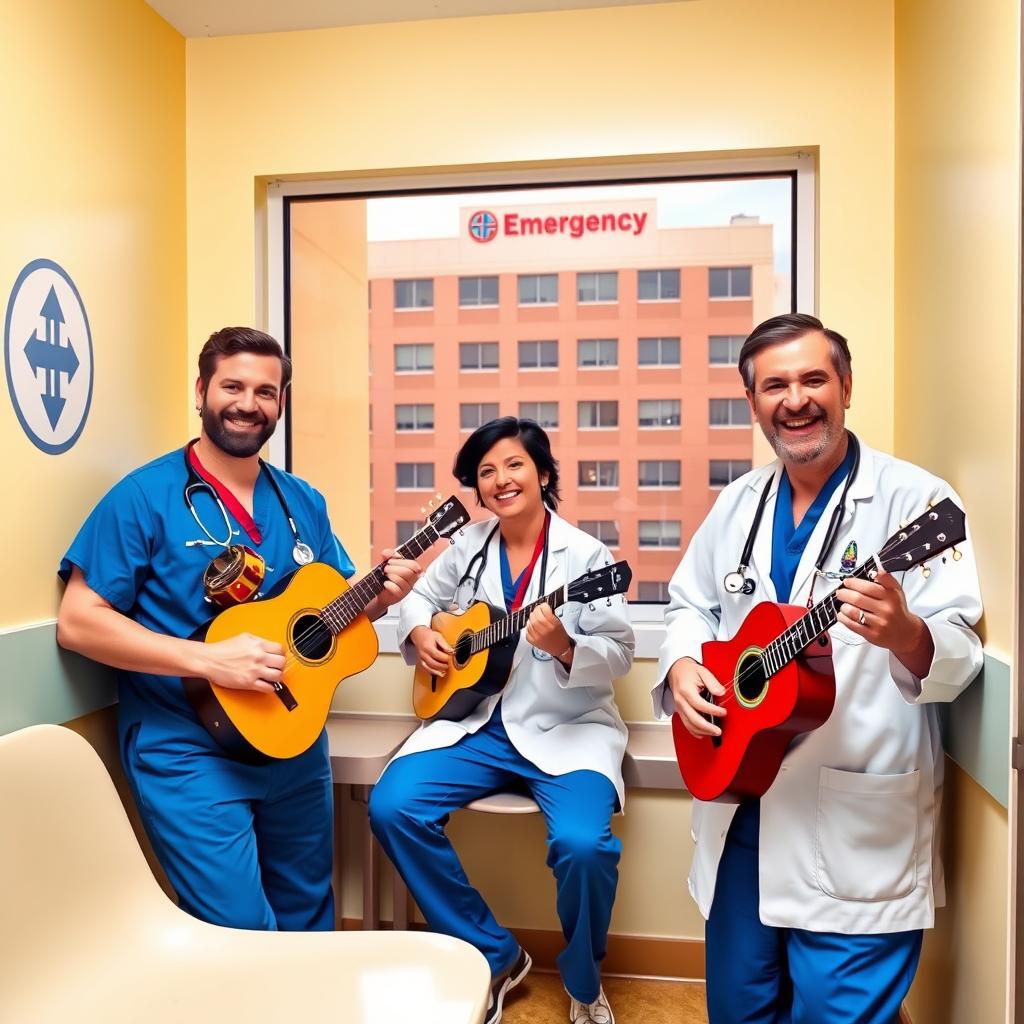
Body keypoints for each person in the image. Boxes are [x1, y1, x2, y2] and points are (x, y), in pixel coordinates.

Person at [654, 313, 983, 1024]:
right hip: (743, 805)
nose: (795, 399)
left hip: (854, 817)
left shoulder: (915, 502)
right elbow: (688, 605)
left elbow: (959, 654)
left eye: (813, 379)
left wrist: (907, 634)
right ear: (753, 403)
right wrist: (682, 664)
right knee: (739, 1012)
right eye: (775, 385)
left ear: (846, 387)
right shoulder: (738, 503)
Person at [57, 326, 421, 931]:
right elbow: (78, 622)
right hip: (188, 745)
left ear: (281, 403)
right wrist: (209, 661)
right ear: (200, 391)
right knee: (240, 927)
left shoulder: (302, 501)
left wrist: (384, 598)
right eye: (232, 386)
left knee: (309, 915)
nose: (248, 404)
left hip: (293, 738)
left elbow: (337, 613)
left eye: (266, 391)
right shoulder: (144, 497)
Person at [369, 416, 633, 1024]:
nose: (500, 480)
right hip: (479, 723)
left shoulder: (587, 557)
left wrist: (567, 645)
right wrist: (417, 629)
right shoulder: (467, 547)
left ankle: (584, 981)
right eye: (487, 472)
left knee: (582, 847)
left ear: (543, 474)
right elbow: (415, 596)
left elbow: (618, 653)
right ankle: (494, 953)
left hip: (568, 731)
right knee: (392, 807)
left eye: (514, 465)